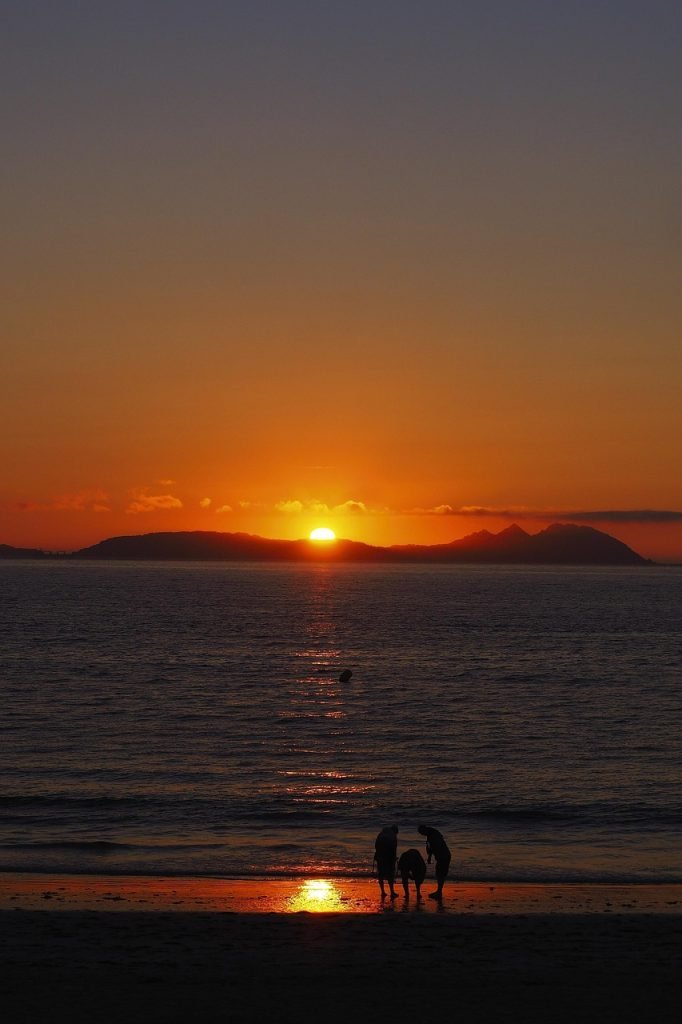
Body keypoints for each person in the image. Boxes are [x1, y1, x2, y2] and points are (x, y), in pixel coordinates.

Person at [417, 824, 451, 900]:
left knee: (440, 874)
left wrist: (430, 856)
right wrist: (430, 856)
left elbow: (434, 847)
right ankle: (439, 891)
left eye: (422, 832)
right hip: (443, 856)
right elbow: (432, 847)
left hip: (443, 856)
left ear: (424, 829)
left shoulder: (433, 835)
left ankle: (439, 892)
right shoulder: (432, 833)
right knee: (440, 873)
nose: (422, 834)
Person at [373, 825, 399, 899]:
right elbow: (394, 848)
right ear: (395, 831)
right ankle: (392, 892)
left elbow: (376, 846)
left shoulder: (381, 834)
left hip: (380, 857)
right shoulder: (393, 836)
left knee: (380, 875)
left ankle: (383, 892)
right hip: (389, 858)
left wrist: (377, 855)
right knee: (390, 875)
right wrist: (394, 858)